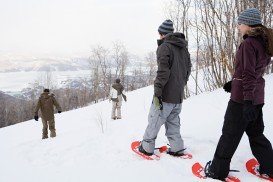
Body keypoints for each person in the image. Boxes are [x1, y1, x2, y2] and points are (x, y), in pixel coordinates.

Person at [205, 8, 273, 180]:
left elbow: (249, 74)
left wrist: (247, 101)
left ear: (248, 24)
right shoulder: (264, 42)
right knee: (256, 133)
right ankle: (270, 168)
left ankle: (216, 171)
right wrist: (233, 81)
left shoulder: (249, 44)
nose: (238, 27)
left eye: (240, 23)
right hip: (257, 97)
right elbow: (252, 71)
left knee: (229, 134)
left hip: (243, 100)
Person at [138, 19, 192, 156]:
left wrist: (157, 91)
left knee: (155, 119)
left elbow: (163, 72)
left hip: (166, 94)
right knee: (173, 121)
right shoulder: (183, 48)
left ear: (162, 34)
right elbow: (188, 69)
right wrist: (181, 84)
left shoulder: (165, 47)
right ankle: (177, 147)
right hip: (178, 95)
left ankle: (147, 147)